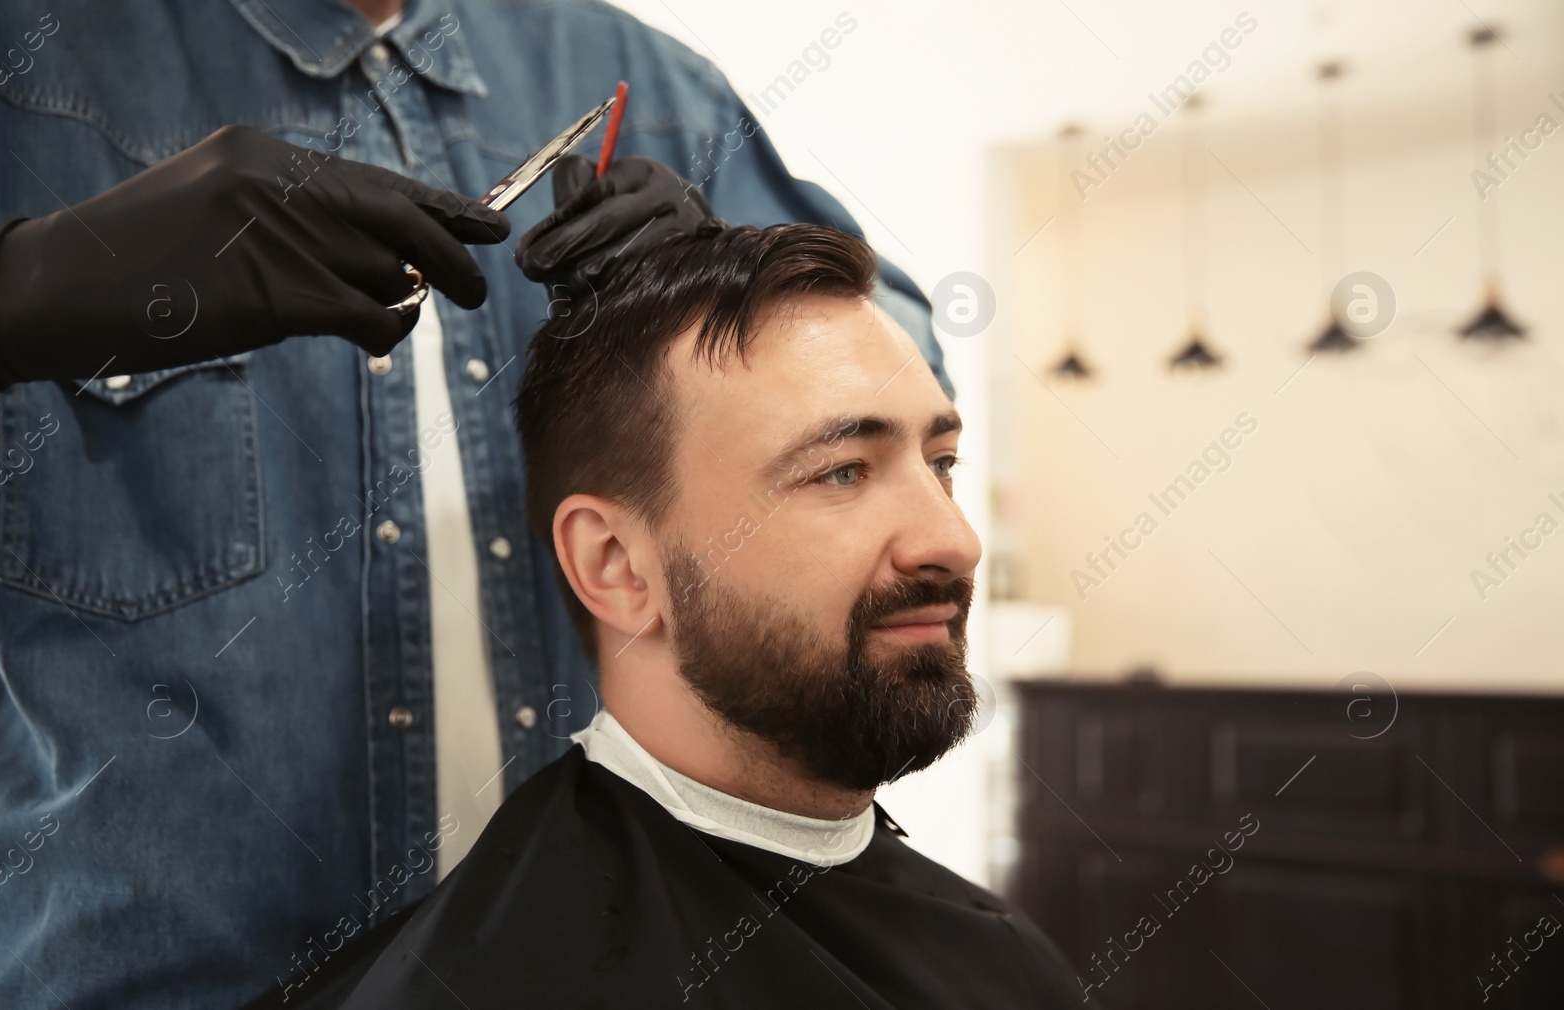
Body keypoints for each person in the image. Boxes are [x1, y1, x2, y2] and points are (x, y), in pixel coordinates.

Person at [0, 2, 950, 1008]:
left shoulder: (644, 85)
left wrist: (736, 281)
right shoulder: (0, 61)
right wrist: (1, 293)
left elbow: (905, 368)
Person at [244, 223, 1087, 1009]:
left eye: (941, 462)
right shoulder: (484, 978)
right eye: (841, 471)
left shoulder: (1006, 955)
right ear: (616, 566)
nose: (955, 539)